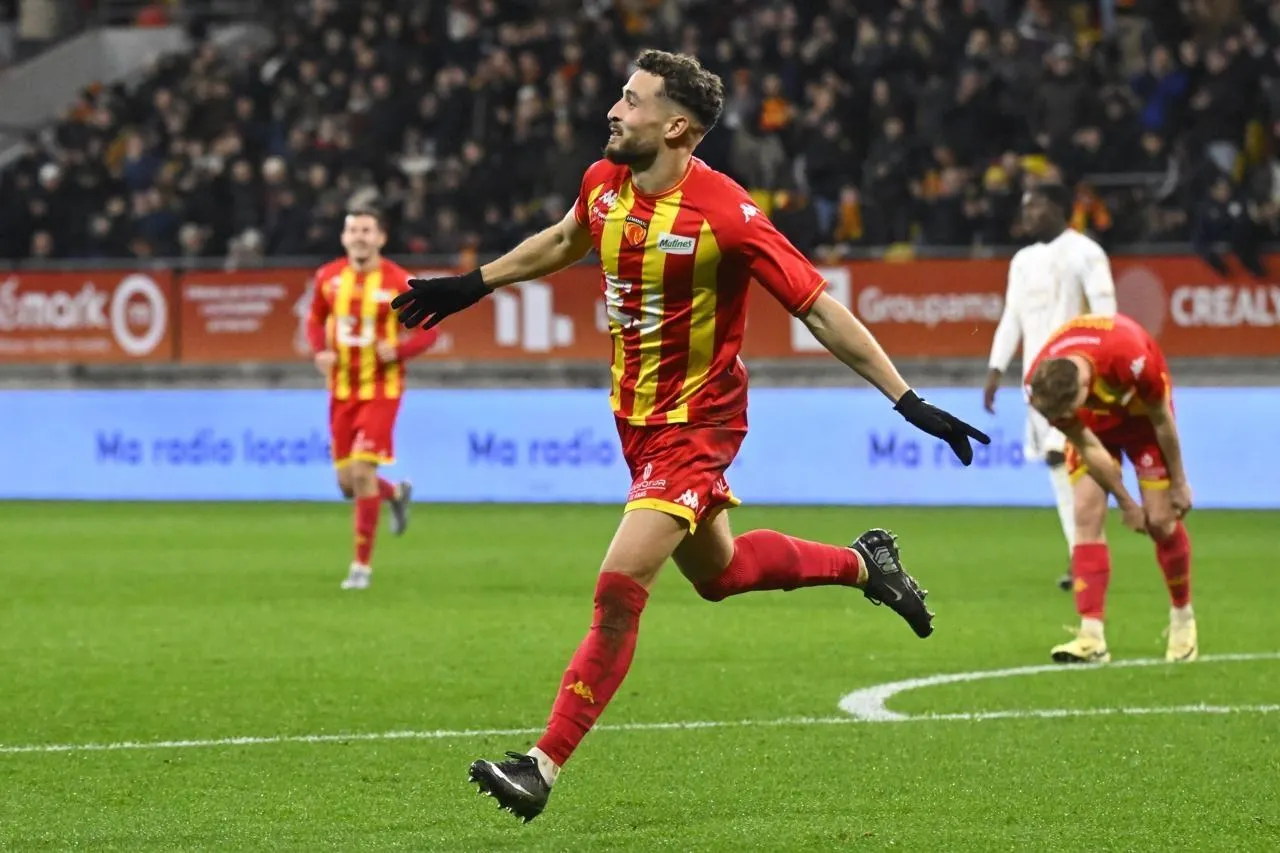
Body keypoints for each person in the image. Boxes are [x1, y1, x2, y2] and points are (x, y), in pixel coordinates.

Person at [392, 50, 990, 823]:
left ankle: (541, 764)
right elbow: (567, 238)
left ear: (676, 127)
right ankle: (864, 564)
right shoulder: (604, 182)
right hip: (635, 422)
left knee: (618, 586)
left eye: (632, 100)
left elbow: (816, 306)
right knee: (721, 572)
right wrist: (474, 284)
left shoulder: (727, 214)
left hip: (699, 423)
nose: (614, 110)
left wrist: (906, 399)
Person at [1025, 313, 1196, 666]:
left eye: (1069, 410)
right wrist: (1126, 502)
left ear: (1084, 389)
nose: (1062, 418)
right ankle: (1091, 637)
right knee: (1085, 513)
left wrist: (1180, 482)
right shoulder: (1042, 386)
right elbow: (1087, 445)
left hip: (1144, 423)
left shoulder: (1131, 359)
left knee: (1161, 521)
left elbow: (1163, 419)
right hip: (1096, 430)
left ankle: (1183, 620)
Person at [985, 184, 1117, 592]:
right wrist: (995, 369)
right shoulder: (1023, 260)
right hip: (1036, 383)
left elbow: (1106, 314)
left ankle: (1084, 555)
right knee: (1060, 465)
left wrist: (1098, 368)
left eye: (1035, 205)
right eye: (1024, 207)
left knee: (1063, 456)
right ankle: (1083, 551)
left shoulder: (1086, 252)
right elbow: (1012, 317)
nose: (1027, 214)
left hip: (1077, 378)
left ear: (1059, 207)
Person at [306, 208, 437, 590]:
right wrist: (319, 351)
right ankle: (395, 493)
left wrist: (399, 350)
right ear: (344, 237)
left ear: (380, 238)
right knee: (347, 484)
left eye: (366, 230)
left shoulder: (398, 281)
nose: (359, 236)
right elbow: (314, 319)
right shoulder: (328, 277)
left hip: (381, 390)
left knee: (362, 472)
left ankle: (360, 568)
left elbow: (429, 330)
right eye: (353, 230)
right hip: (341, 390)